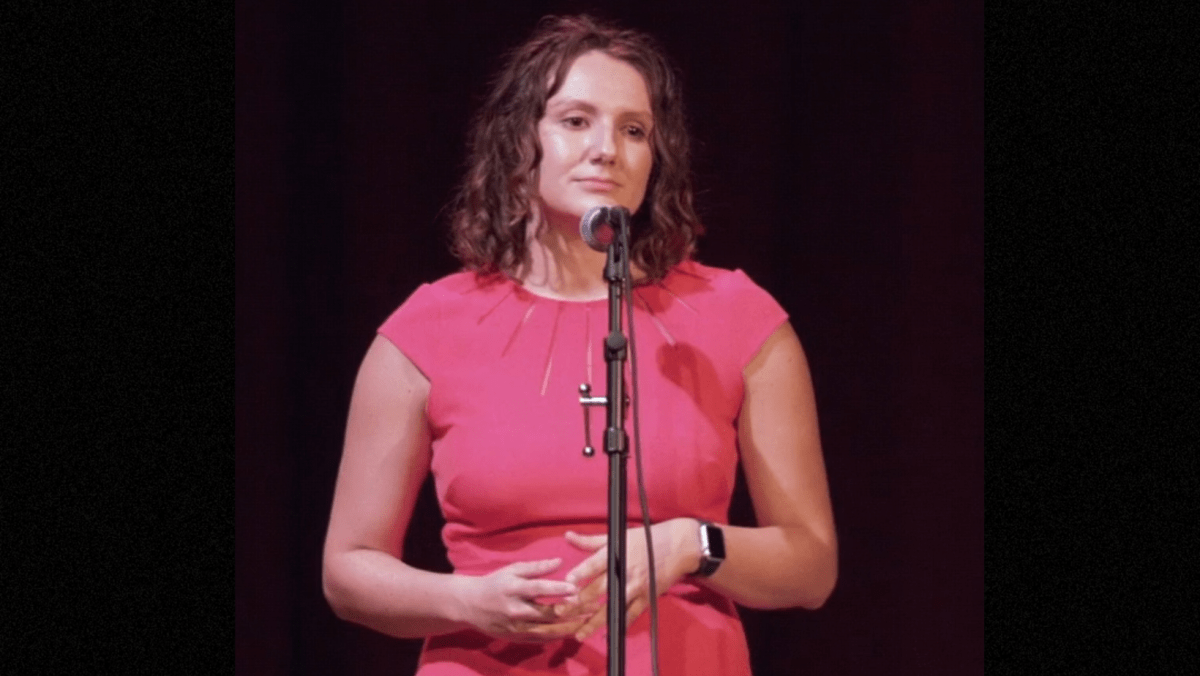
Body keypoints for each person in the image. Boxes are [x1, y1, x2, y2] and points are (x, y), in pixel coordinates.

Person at [322, 14, 837, 675]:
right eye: (575, 121)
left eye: (634, 130)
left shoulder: (737, 318)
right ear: (520, 142)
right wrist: (466, 600)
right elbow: (348, 570)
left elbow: (811, 567)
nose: (606, 149)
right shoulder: (428, 329)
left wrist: (690, 544)